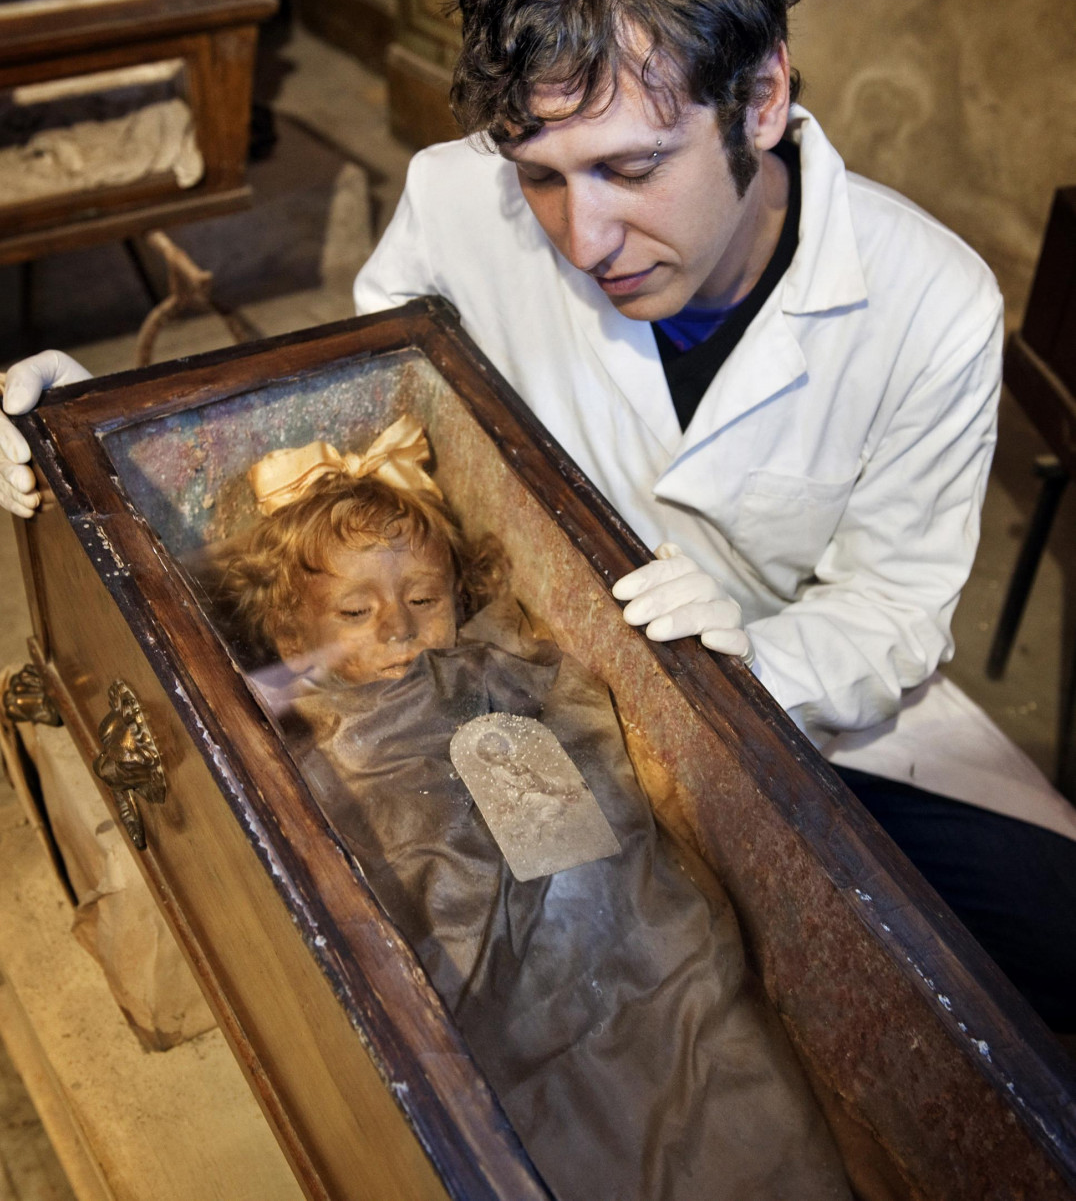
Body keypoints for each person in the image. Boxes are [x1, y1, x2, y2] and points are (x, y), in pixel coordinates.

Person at [0, 0, 1075, 1030]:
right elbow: (359, 431)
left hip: (799, 712)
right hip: (514, 675)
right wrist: (105, 429)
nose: (584, 237)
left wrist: (749, 661)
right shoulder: (460, 199)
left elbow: (889, 611)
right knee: (484, 988)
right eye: (544, 175)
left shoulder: (929, 299)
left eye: (633, 167)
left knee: (1024, 955)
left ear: (762, 98)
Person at [201, 417, 850, 1201]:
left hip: (582, 948)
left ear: (459, 594)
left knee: (685, 1051)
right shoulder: (305, 734)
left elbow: (584, 848)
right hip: (450, 983)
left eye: (423, 597)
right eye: (353, 613)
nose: (399, 629)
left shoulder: (494, 681)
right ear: (288, 626)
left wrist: (553, 909)